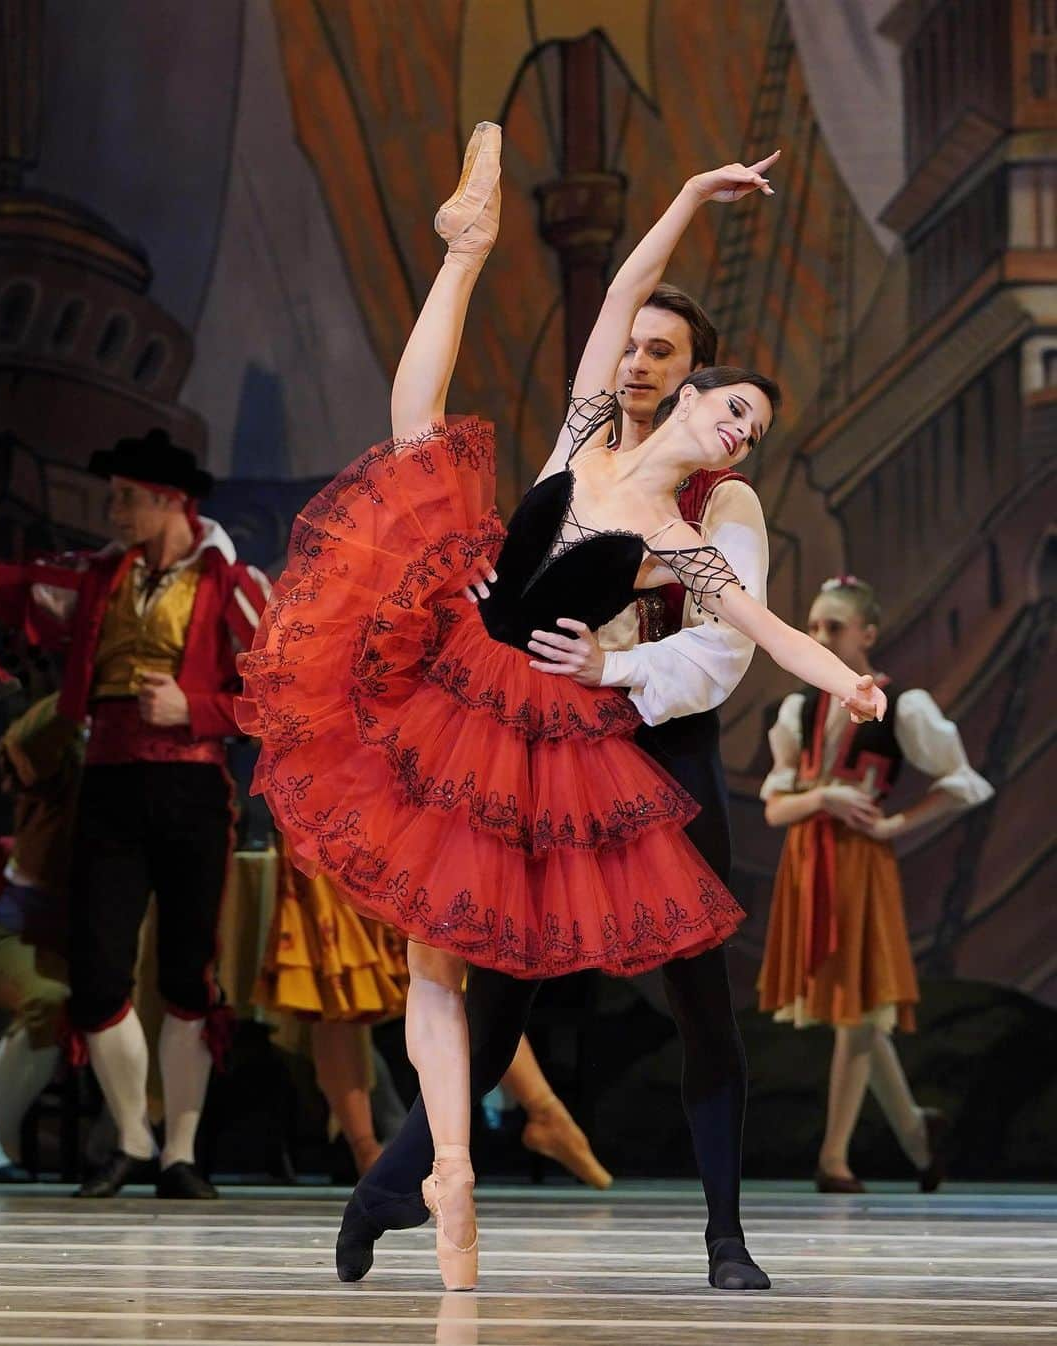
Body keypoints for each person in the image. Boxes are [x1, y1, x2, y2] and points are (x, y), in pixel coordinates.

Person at [239, 123, 885, 1289]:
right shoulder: (586, 428)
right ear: (681, 385)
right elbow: (627, 285)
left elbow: (758, 633)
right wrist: (690, 187)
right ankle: (466, 248)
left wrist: (845, 679)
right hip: (461, 667)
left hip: (579, 730)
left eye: (749, 421)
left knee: (501, 976)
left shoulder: (695, 521)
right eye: (725, 401)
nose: (731, 421)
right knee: (416, 446)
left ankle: (457, 1181)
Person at [336, 283, 774, 1291]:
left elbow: (725, 651)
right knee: (501, 990)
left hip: (663, 748)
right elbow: (516, 568)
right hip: (553, 748)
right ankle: (385, 1188)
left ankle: (725, 1234)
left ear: (697, 381)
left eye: (664, 353)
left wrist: (614, 671)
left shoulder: (722, 502)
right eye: (630, 347)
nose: (639, 364)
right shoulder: (579, 458)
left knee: (702, 993)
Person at [0, 430, 271, 1198]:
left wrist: (197, 706)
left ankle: (179, 1151)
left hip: (192, 793)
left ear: (171, 501)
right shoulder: (97, 579)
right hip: (107, 788)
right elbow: (12, 584)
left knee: (184, 973)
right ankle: (134, 1142)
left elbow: (281, 694)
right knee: (100, 978)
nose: (113, 510)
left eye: (126, 498)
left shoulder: (233, 584)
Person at [758, 576, 993, 1192]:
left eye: (833, 627)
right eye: (813, 626)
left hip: (860, 867)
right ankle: (918, 1134)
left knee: (857, 1014)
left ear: (867, 635)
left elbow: (961, 782)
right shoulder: (800, 710)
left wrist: (895, 824)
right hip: (810, 864)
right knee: (855, 1013)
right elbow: (775, 808)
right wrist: (824, 797)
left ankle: (833, 1158)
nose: (820, 637)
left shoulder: (903, 706)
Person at [260, 844, 612, 1186]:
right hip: (332, 809)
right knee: (337, 976)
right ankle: (366, 1150)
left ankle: (545, 1111)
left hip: (398, 809)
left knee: (441, 960)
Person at [0, 693, 82, 1178]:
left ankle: (118, 1143)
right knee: (48, 996)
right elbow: (23, 744)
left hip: (94, 935)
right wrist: (81, 691)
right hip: (20, 934)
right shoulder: (61, 753)